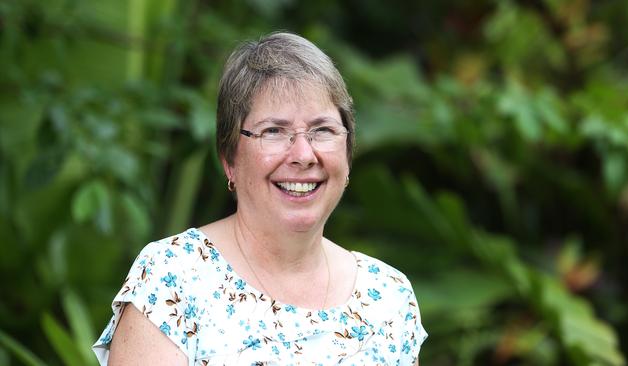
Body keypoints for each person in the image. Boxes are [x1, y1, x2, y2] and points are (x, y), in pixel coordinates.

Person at [93, 32, 427, 365]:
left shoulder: (388, 298)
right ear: (229, 159)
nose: (303, 154)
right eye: (274, 131)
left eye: (322, 130)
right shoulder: (174, 278)